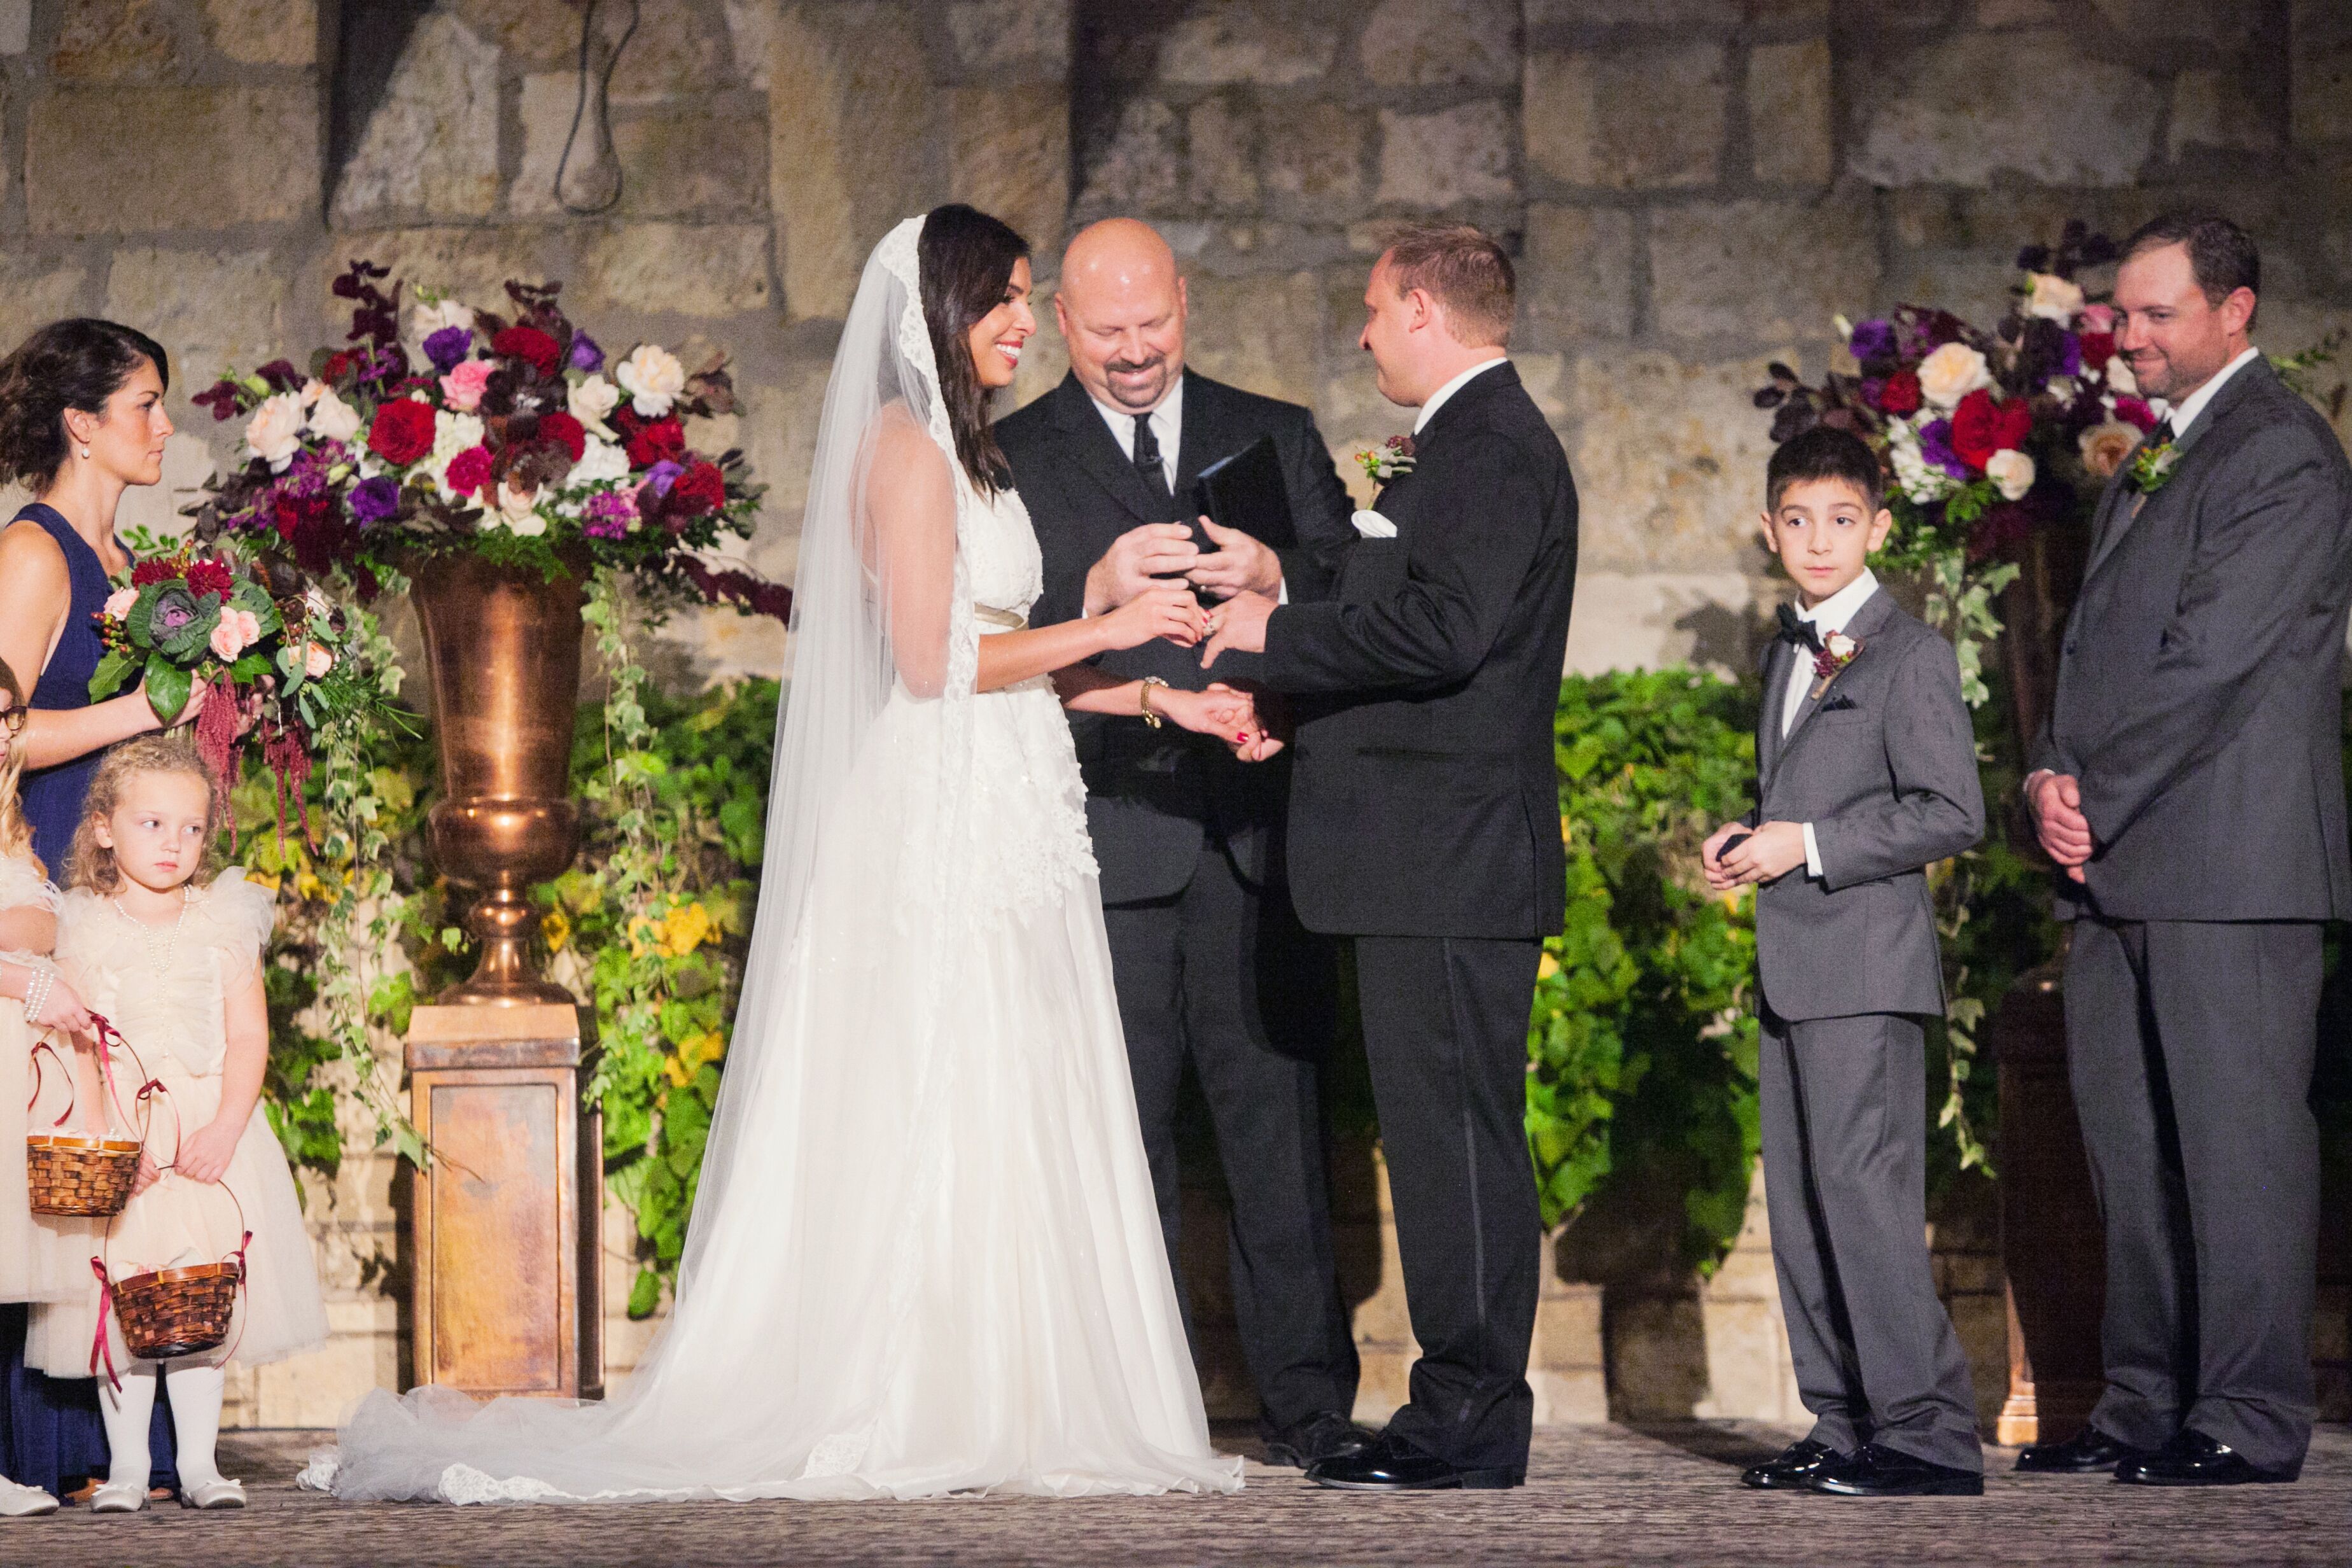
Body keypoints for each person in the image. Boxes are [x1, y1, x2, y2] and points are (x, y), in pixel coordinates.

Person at [312, 206, 1264, 1504]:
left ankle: (1016, 1384)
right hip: (939, 804)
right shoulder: (906, 453)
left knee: (1020, 1071)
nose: (1027, 325)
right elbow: (935, 666)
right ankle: (919, 1385)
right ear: (946, 303)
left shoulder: (967, 453)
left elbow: (1002, 657)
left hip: (1008, 792)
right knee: (940, 1072)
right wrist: (1122, 620)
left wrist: (1158, 691)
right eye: (1011, 300)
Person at [1200, 224, 1578, 1491]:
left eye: (1373, 309)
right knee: (1437, 1143)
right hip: (1426, 856)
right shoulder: (1464, 448)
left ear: (1423, 309)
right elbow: (1405, 600)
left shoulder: (1493, 446)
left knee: (1459, 1147)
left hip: (1451, 857)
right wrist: (1296, 577)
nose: (1361, 333)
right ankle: (1457, 1410)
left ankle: (1468, 1421)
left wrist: (1275, 632)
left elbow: (1445, 630)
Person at [993, 218, 1367, 1471]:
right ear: (1060, 321)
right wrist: (1094, 590)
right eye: (1108, 333)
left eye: (1154, 324)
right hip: (1111, 838)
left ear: (1185, 305)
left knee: (1278, 1137)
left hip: (1259, 839)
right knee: (1123, 1138)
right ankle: (1138, 1414)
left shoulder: (1274, 431)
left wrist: (1282, 584)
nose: (1137, 351)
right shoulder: (1011, 454)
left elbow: (1358, 604)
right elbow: (983, 640)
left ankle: (1312, 1414)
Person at [2020, 213, 2352, 1487]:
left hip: (2226, 862)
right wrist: (2050, 773)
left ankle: (2247, 1413)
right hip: (2112, 861)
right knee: (2134, 1147)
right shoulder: (2160, 456)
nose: (2131, 335)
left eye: (2158, 313)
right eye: (2122, 312)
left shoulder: (2283, 458)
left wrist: (2091, 790)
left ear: (2237, 311)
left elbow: (2211, 661)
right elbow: (2098, 650)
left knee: (2235, 1145)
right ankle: (2143, 1403)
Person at [1701, 426, 1985, 1499]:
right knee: (1806, 1202)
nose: (1818, 539)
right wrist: (1754, 833)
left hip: (1864, 969)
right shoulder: (1783, 649)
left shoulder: (1910, 653)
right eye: (1797, 518)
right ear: (1769, 528)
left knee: (1863, 1197)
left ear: (1878, 524)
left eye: (1841, 518)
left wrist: (1805, 845)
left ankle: (1928, 1432)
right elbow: (1809, 795)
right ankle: (1843, 1419)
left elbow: (1951, 809)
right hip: (1795, 966)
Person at [27, 736, 328, 1512]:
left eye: (191, 829)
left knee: (203, 1294)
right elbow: (84, 1043)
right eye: (153, 824)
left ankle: (198, 1463)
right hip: (128, 1135)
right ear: (104, 829)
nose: (174, 845)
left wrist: (228, 1125)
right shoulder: (85, 923)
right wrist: (115, 1139)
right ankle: (128, 1466)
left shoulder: (222, 920)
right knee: (122, 1296)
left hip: (206, 1131)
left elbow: (250, 1036)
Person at [0, 318, 189, 1502]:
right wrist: (153, 706)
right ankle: (46, 1439)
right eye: (145, 406)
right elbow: (4, 729)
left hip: (122, 876)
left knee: (120, 1167)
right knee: (61, 1161)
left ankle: (128, 1443)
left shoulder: (125, 558)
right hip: (55, 880)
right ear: (81, 423)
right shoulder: (36, 550)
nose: (167, 427)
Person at [0, 661, 102, 1517]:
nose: (3, 735)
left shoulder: (16, 822)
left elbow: (45, 918)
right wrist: (25, 981)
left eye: (9, 717)